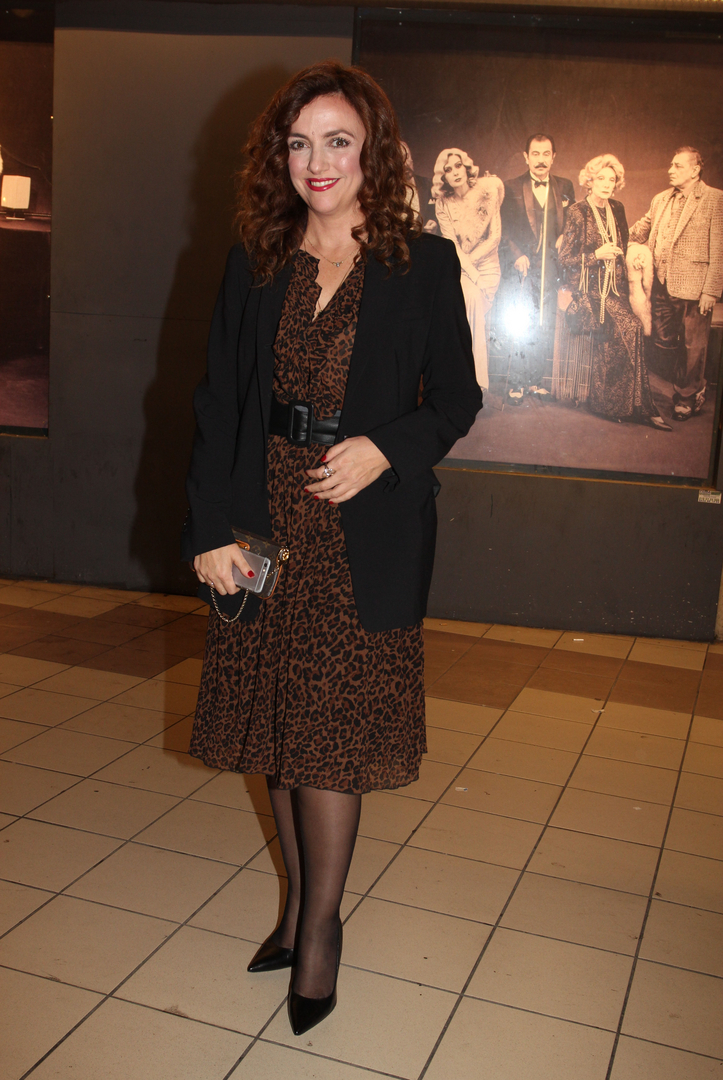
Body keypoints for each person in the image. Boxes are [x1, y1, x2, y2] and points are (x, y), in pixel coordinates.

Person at [181, 62, 481, 1038]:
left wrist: (385, 448)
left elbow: (458, 399)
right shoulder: (256, 259)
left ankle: (318, 931)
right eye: (299, 143)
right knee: (280, 721)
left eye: (338, 141)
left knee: (330, 736)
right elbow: (219, 401)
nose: (317, 162)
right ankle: (296, 908)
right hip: (262, 518)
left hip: (362, 527)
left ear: (373, 152)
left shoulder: (421, 263)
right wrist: (207, 530)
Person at [558, 154, 670, 430]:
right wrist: (596, 255)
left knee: (631, 329)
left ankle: (625, 405)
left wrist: (634, 259)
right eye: (601, 179)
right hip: (588, 290)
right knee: (630, 327)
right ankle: (628, 407)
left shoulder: (617, 208)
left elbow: (624, 245)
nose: (607, 184)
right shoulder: (577, 212)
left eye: (612, 179)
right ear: (590, 181)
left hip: (614, 290)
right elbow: (564, 259)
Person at [629, 147, 723, 422]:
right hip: (661, 283)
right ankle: (691, 385)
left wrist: (711, 290)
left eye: (678, 166)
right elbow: (639, 231)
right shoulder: (660, 199)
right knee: (663, 341)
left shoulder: (715, 199)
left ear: (695, 170)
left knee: (694, 346)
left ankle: (687, 396)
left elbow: (719, 248)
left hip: (696, 288)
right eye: (671, 165)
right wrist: (609, 231)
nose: (670, 170)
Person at [499, 134, 575, 403]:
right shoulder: (510, 186)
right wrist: (517, 255)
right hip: (523, 266)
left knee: (544, 323)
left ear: (553, 157)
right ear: (526, 157)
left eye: (546, 154)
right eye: (535, 153)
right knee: (522, 322)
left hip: (551, 267)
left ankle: (534, 381)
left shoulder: (565, 186)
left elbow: (570, 224)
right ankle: (516, 383)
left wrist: (564, 237)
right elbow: (503, 229)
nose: (541, 160)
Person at [431, 148, 504, 389]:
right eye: (448, 170)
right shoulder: (443, 203)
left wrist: (475, 271)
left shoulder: (488, 192)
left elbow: (494, 238)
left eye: (458, 166)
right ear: (443, 177)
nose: (455, 173)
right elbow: (451, 245)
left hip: (487, 268)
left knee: (468, 301)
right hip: (461, 268)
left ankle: (469, 381)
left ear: (466, 167)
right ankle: (467, 380)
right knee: (464, 298)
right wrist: (470, 272)